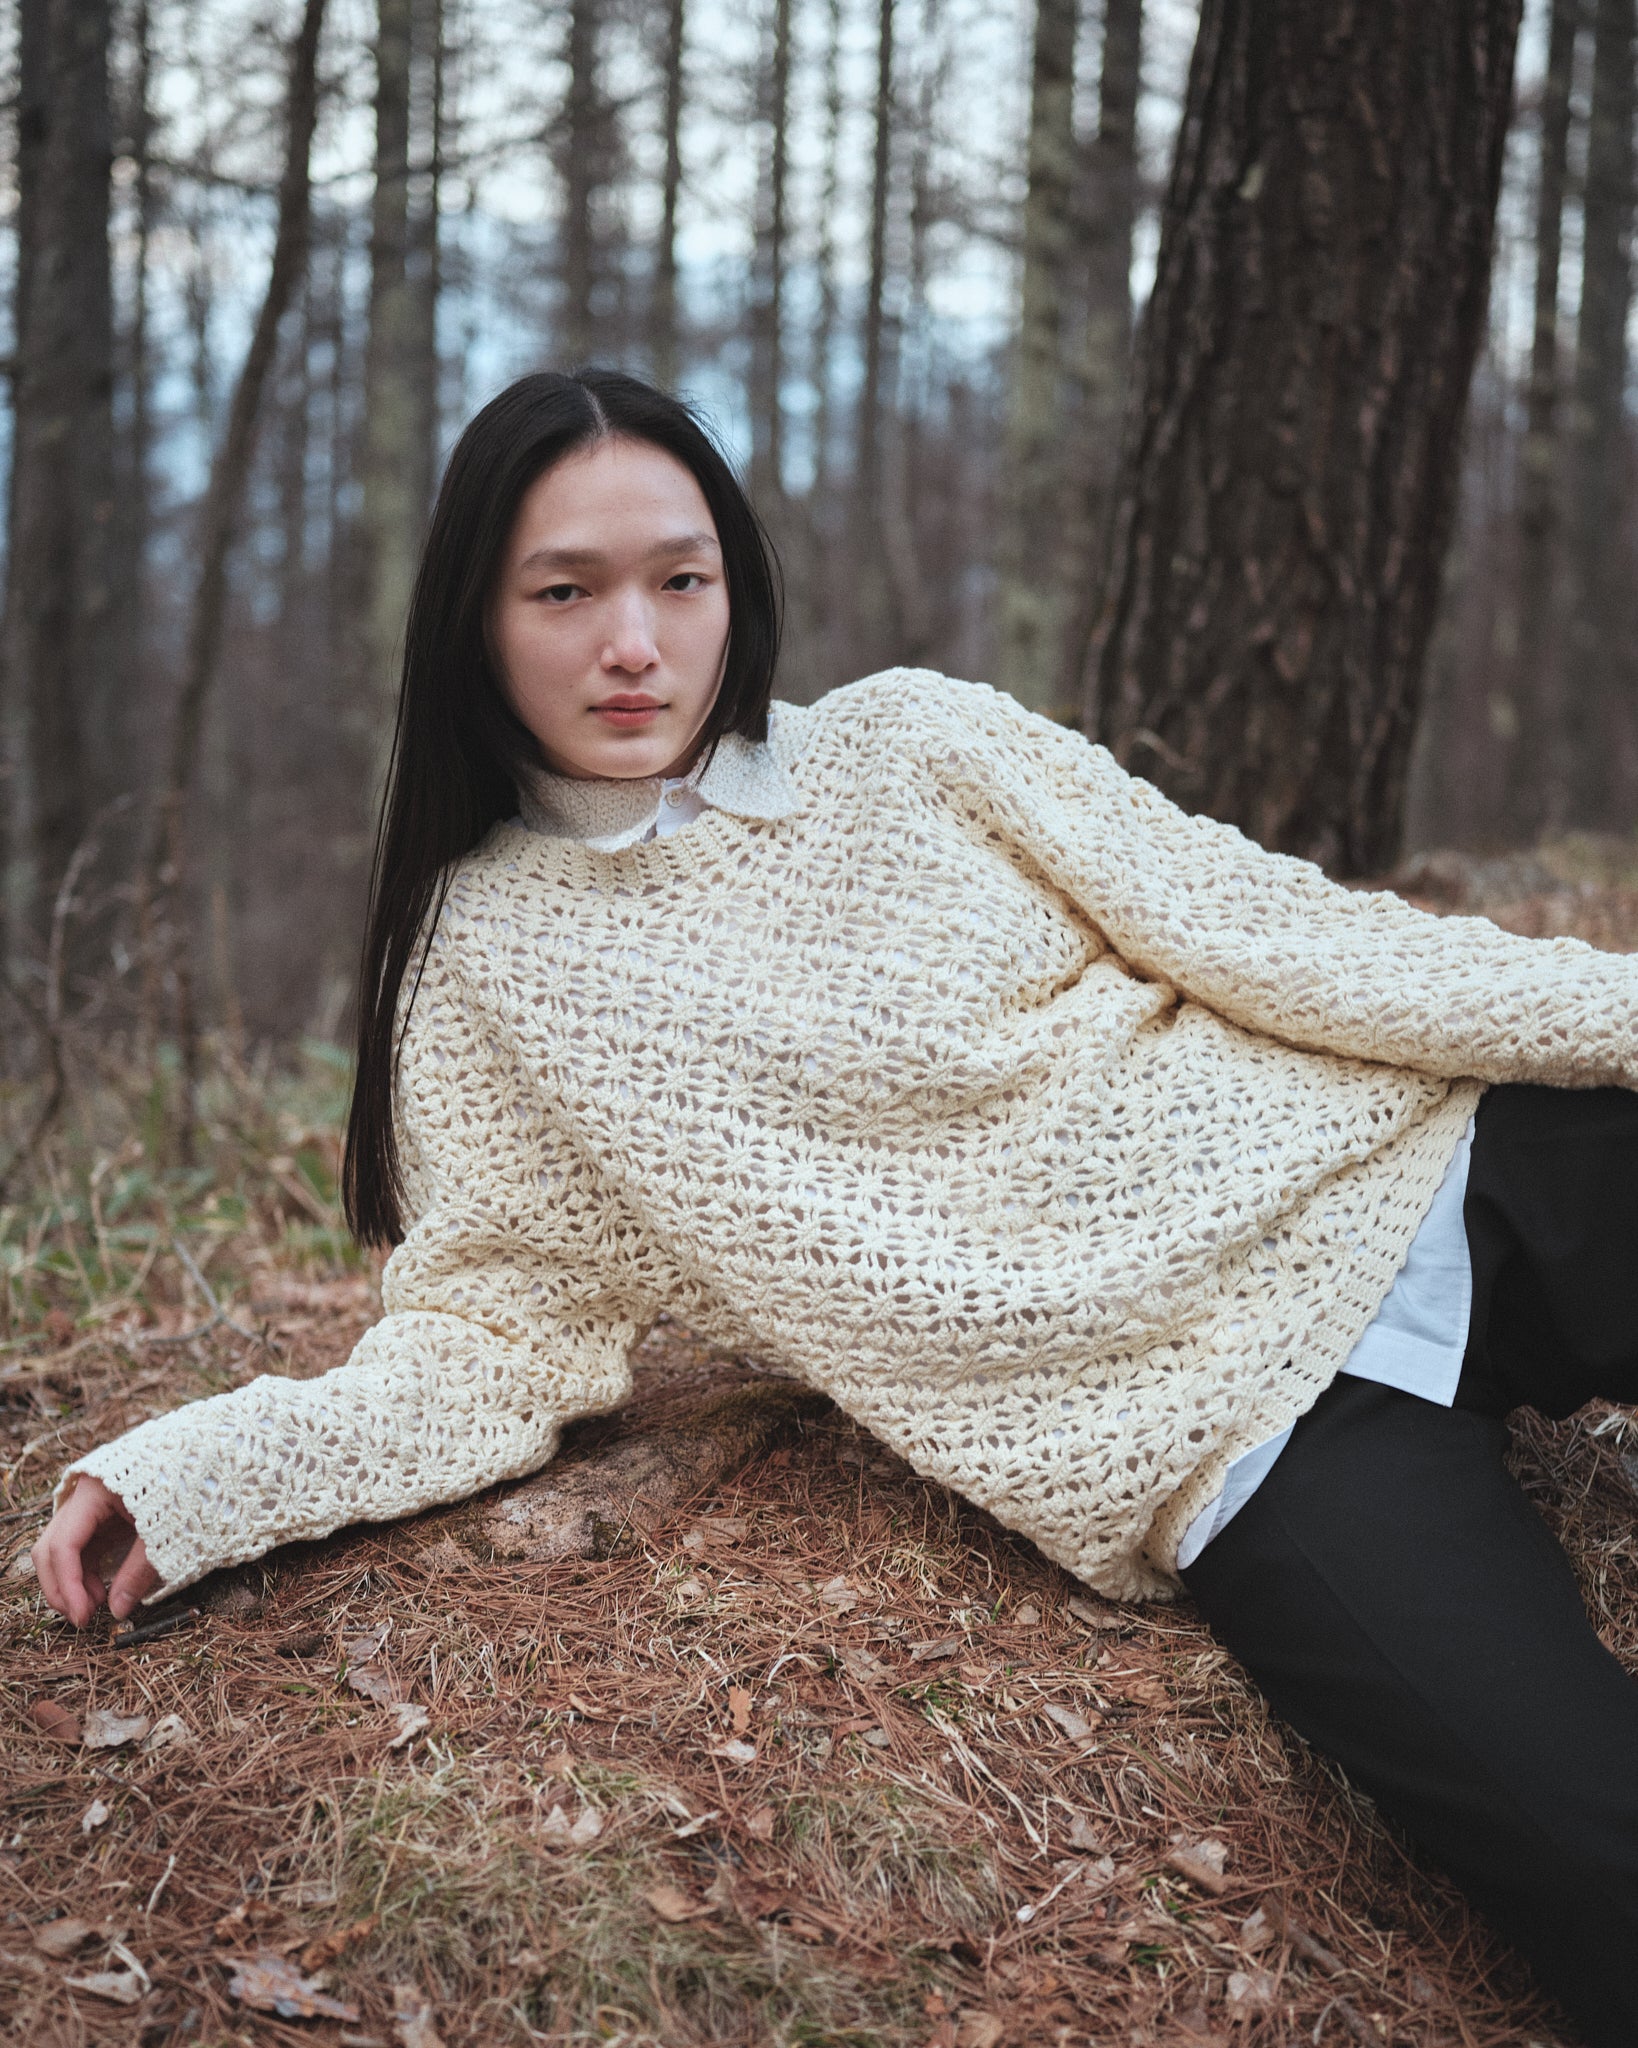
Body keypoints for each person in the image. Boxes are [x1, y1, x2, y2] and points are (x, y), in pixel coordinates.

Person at [32, 369, 1638, 2046]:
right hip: (1233, 1444)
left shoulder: (921, 742)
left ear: (737, 582)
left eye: (679, 578)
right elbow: (489, 1343)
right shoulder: (486, 967)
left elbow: (1284, 940)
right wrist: (202, 1475)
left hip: (1429, 1169)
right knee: (1587, 1855)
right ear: (473, 623)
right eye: (564, 592)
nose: (633, 643)